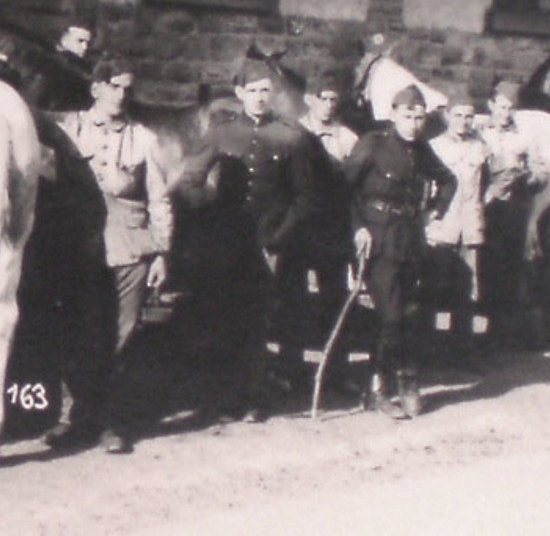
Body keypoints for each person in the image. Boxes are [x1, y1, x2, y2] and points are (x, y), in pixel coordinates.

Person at [176, 57, 320, 421]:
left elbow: (304, 198)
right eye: (252, 91)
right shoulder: (223, 133)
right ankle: (224, 399)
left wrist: (278, 238)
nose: (259, 98)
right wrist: (211, 220)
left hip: (269, 242)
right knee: (225, 317)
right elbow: (189, 180)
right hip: (227, 243)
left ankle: (254, 397)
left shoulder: (291, 137)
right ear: (239, 93)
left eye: (265, 91)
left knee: (258, 320)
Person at [52, 59, 173, 453]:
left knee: (121, 338)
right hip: (79, 250)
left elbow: (159, 200)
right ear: (96, 89)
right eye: (115, 86)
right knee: (78, 334)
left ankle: (109, 422)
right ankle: (76, 418)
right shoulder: (68, 131)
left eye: (127, 88)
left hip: (131, 250)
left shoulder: (144, 139)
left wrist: (161, 254)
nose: (122, 95)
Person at [344, 84, 458, 418]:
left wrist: (435, 210)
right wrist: (357, 228)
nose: (414, 122)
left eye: (420, 116)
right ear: (394, 114)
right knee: (390, 314)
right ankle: (376, 388)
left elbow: (449, 180)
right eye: (408, 115)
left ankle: (408, 381)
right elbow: (344, 190)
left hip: (410, 239)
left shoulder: (421, 149)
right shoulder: (373, 144)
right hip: (377, 239)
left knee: (410, 314)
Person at [295, 70, 361, 388]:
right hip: (299, 228)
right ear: (309, 99)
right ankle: (289, 368)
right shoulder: (293, 133)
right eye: (323, 98)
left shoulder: (347, 139)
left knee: (334, 298)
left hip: (333, 228)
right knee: (292, 297)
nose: (329, 105)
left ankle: (336, 370)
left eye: (335, 99)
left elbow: (355, 187)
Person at [426, 88, 491, 346]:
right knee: (435, 286)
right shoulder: (434, 147)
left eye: (469, 116)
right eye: (458, 115)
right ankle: (429, 347)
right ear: (447, 116)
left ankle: (461, 350)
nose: (464, 121)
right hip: (442, 226)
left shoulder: (481, 148)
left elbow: (488, 183)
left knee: (467, 290)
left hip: (470, 227)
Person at [478, 80, 535, 344]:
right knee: (484, 264)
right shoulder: (479, 131)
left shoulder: (523, 137)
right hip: (482, 208)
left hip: (512, 209)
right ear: (491, 105)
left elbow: (541, 171)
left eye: (510, 108)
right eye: (501, 107)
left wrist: (525, 177)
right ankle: (482, 321)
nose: (505, 112)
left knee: (509, 265)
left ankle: (501, 329)